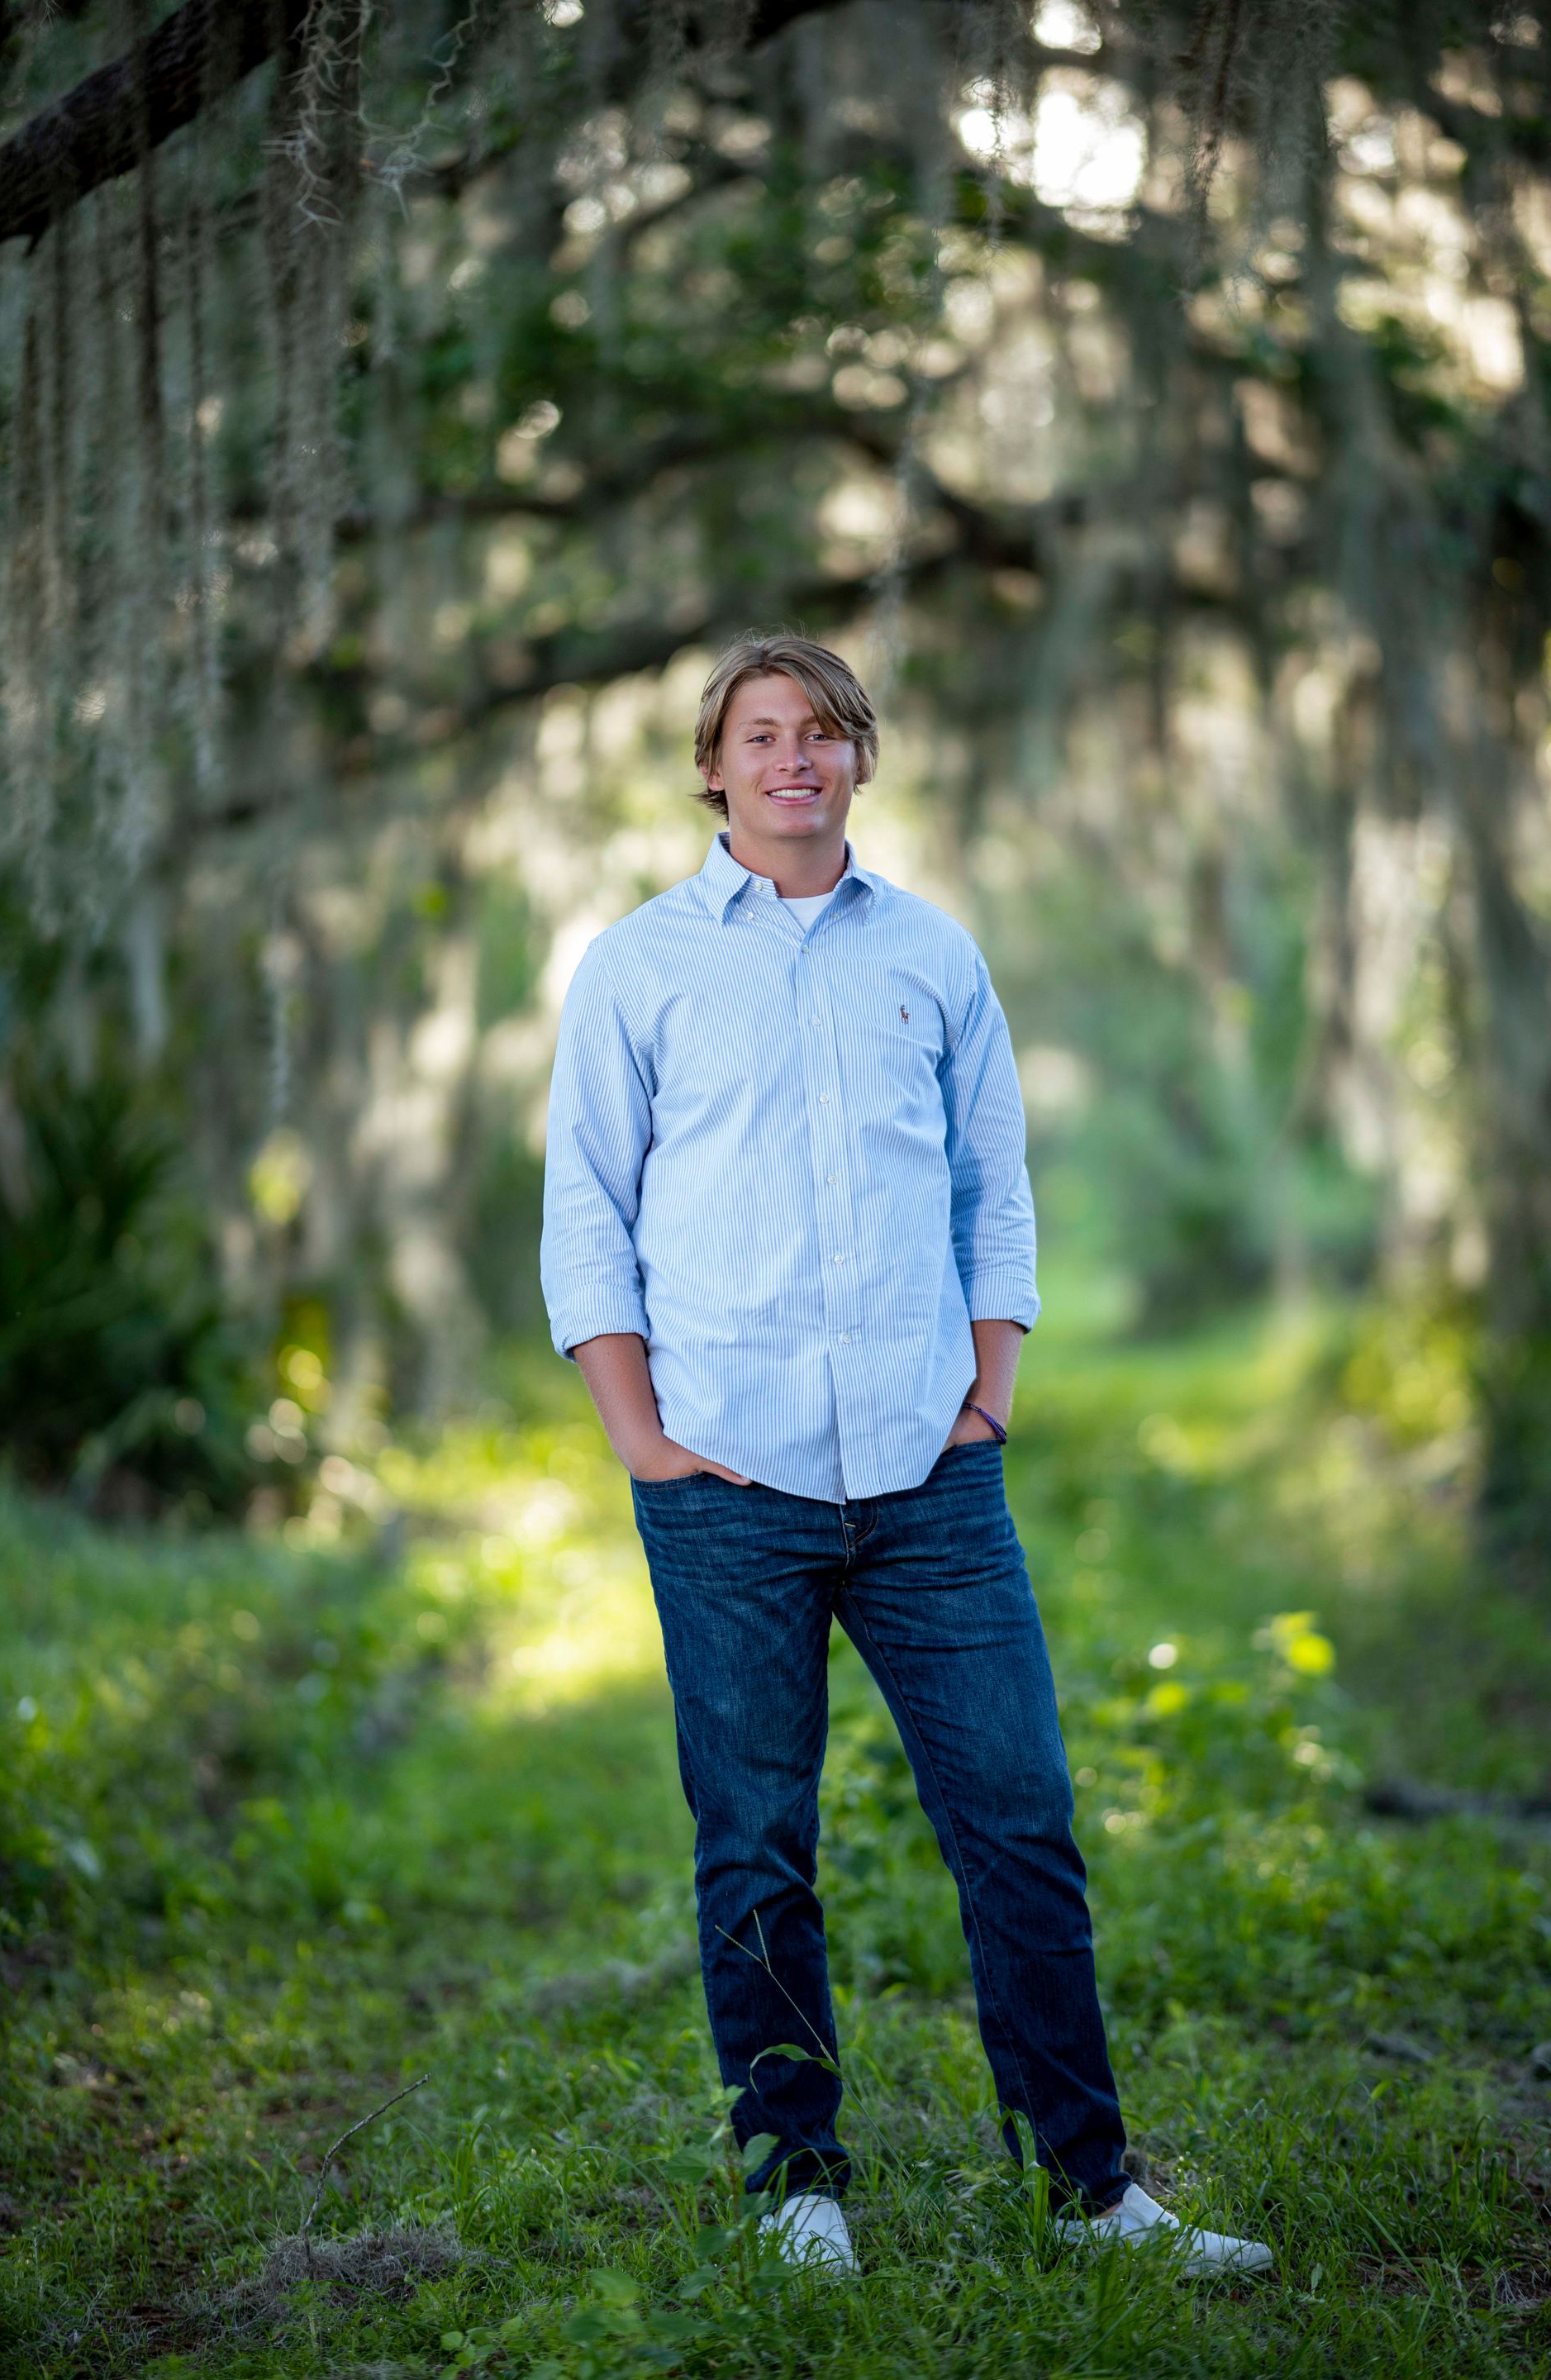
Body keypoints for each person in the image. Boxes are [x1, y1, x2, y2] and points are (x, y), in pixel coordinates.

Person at [540, 632, 1271, 2280]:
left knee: (1018, 1821)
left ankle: (1093, 2192)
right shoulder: (639, 969)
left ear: (861, 758)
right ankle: (797, 2177)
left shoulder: (932, 958)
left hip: (932, 1480)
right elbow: (586, 1205)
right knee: (756, 1842)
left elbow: (989, 1189)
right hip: (726, 1481)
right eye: (761, 735)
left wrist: (989, 1392)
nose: (794, 758)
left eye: (823, 732)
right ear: (714, 771)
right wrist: (640, 1439)